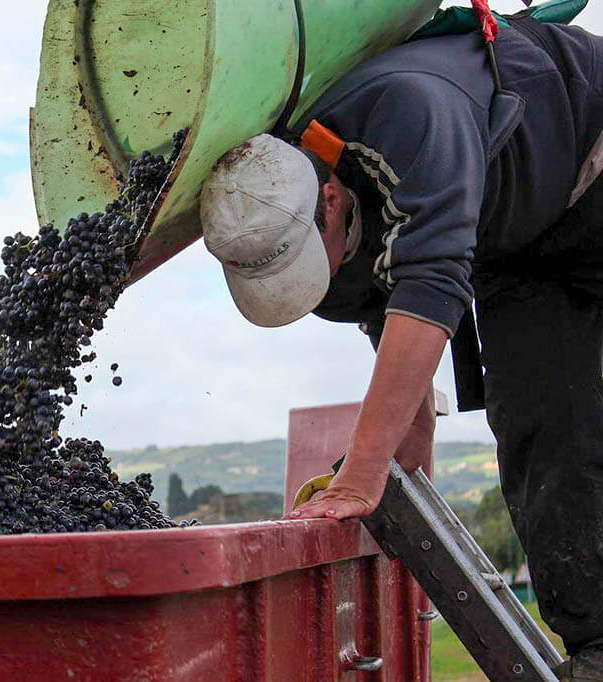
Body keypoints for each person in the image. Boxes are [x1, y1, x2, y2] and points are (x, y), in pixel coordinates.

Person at [199, 18, 603, 680]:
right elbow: (389, 307)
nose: (315, 285)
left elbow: (432, 287)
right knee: (539, 421)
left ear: (329, 198)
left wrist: (364, 470)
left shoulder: (411, 112)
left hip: (590, 147)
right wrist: (406, 441)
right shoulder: (299, 224)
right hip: (522, 239)